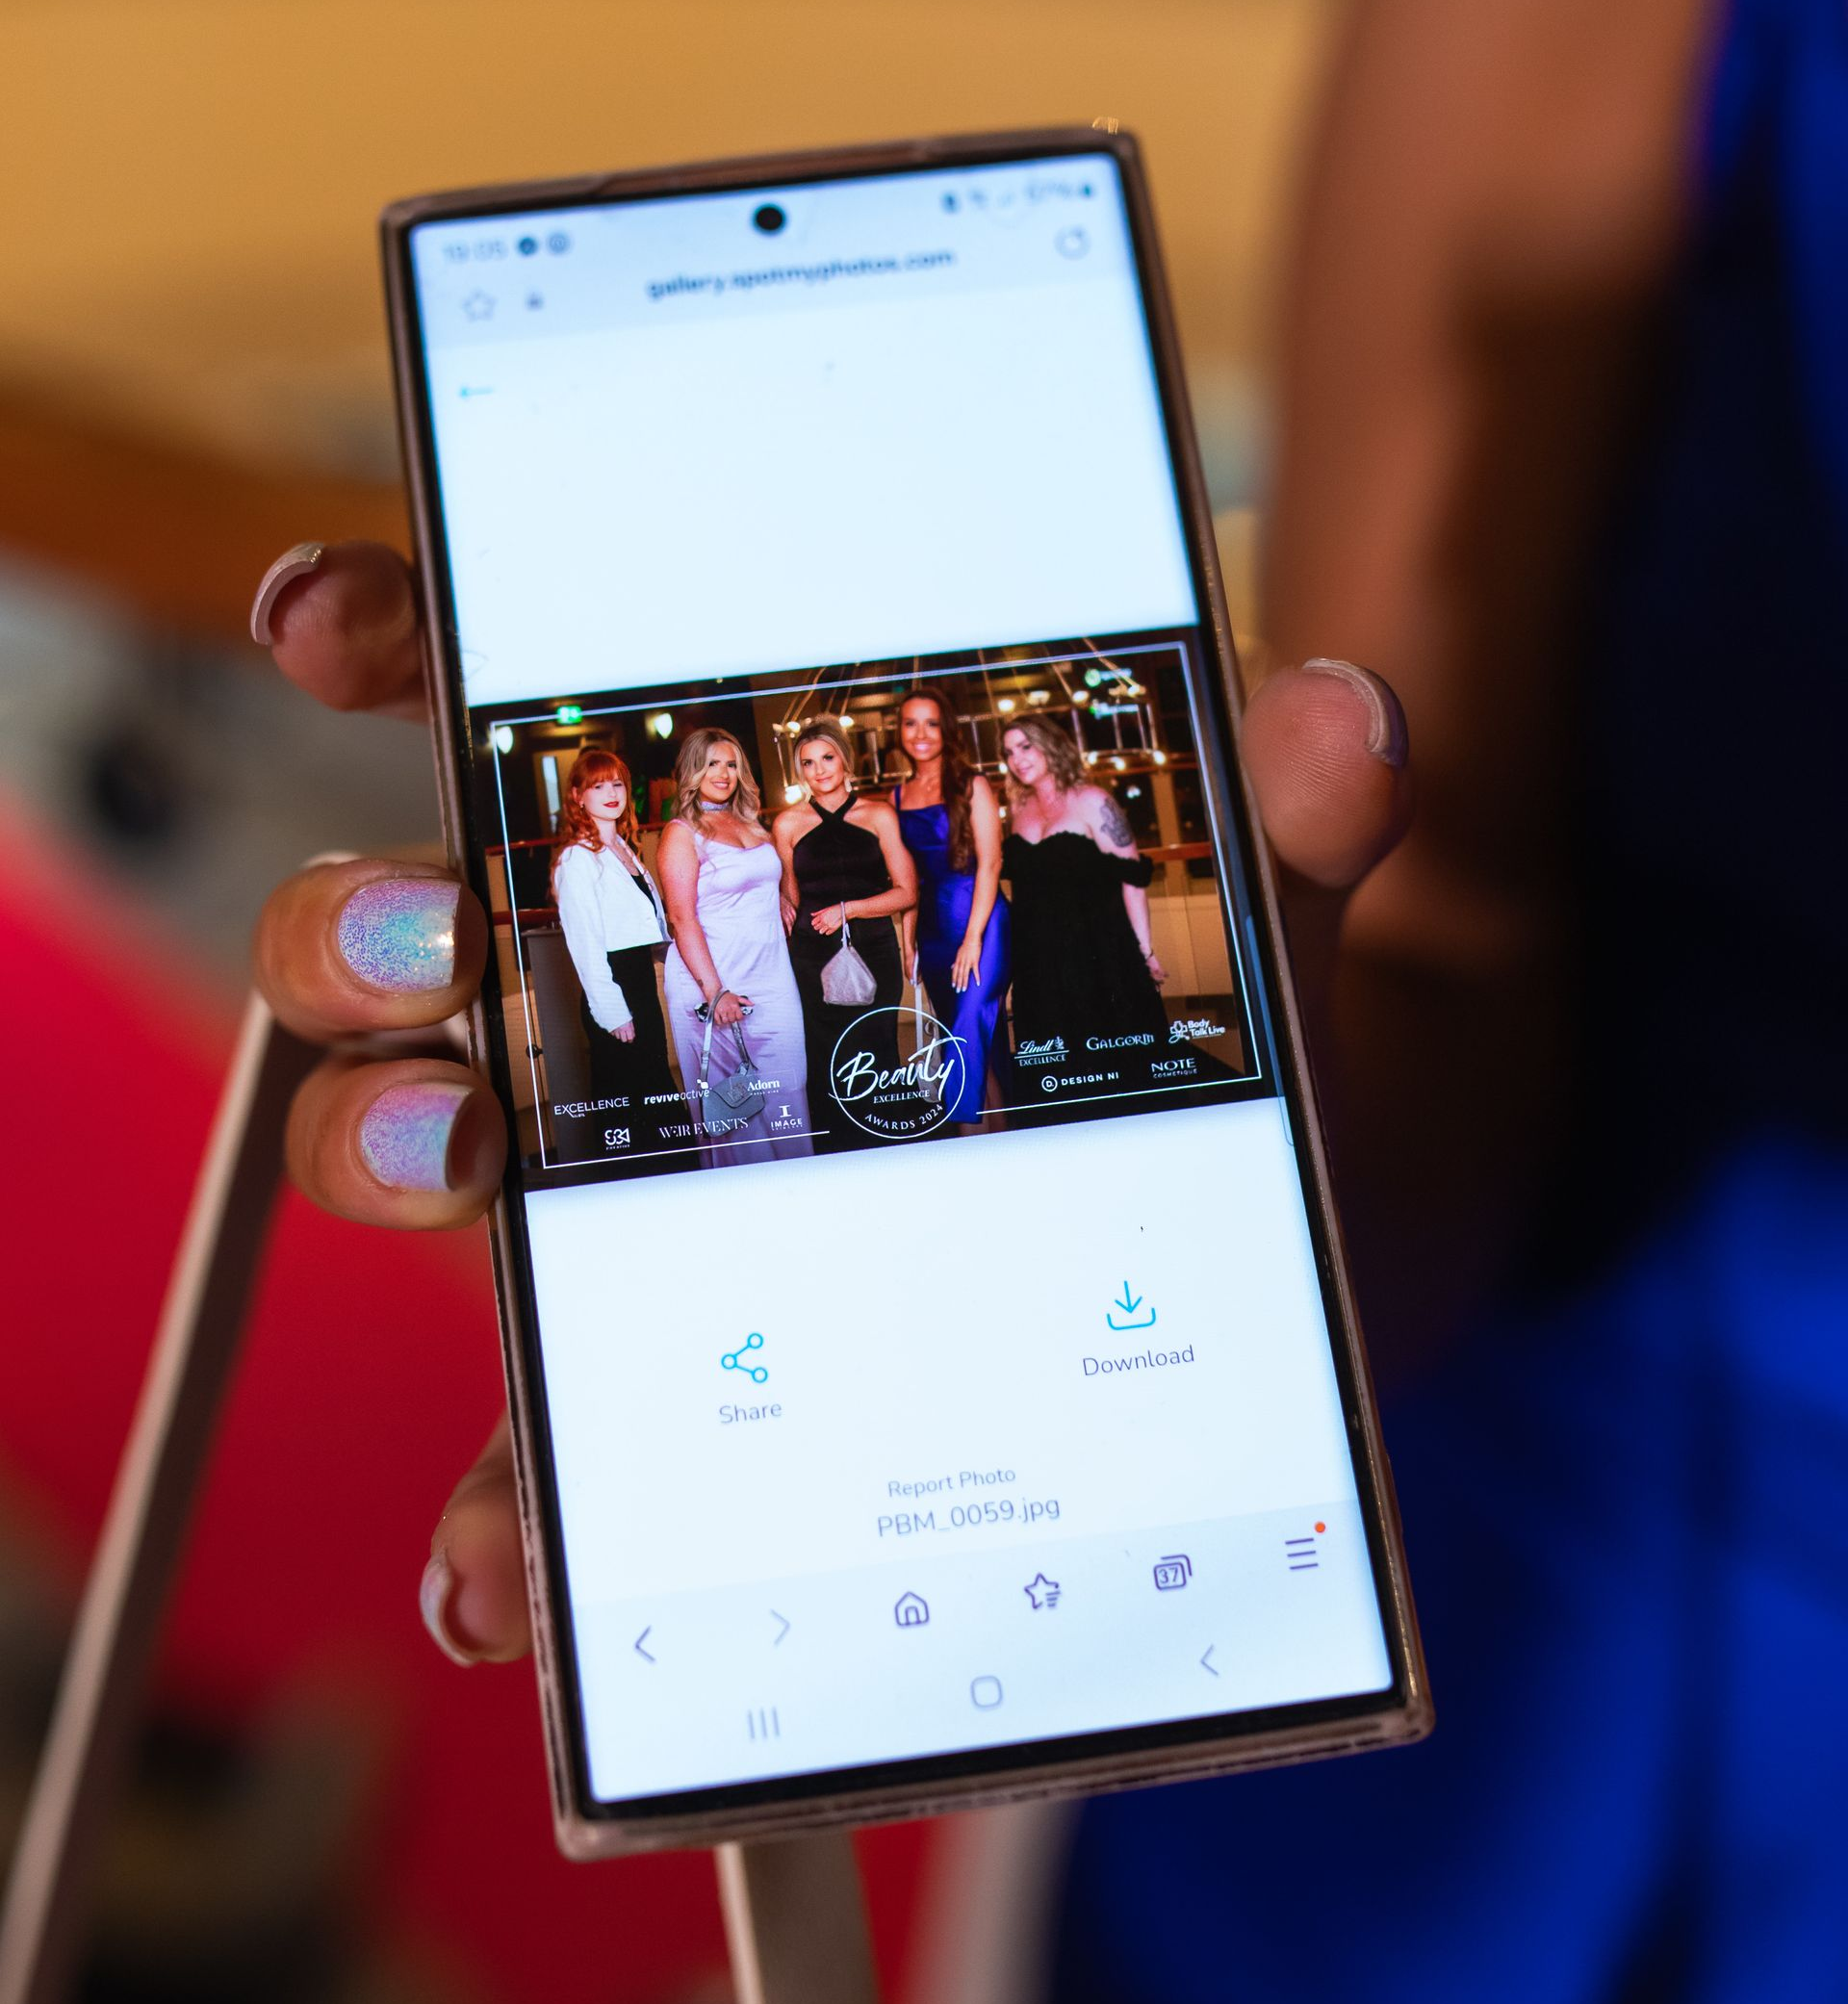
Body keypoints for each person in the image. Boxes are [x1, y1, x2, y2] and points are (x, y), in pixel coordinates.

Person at [654, 728, 810, 1164]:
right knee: (734, 1110)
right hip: (712, 981)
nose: (723, 774)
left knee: (790, 1084)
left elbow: (765, 880)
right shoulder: (681, 833)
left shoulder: (752, 823)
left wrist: (779, 897)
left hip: (771, 976)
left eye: (731, 764)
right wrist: (715, 991)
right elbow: (681, 917)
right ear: (693, 771)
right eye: (711, 764)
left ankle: (801, 1183)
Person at [771, 721, 915, 1148]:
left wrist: (848, 910)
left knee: (877, 1050)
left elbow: (907, 892)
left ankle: (887, 1149)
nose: (819, 770)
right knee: (825, 1056)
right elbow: (789, 897)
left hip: (874, 951)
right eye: (808, 763)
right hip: (812, 957)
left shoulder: (878, 814)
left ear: (845, 759)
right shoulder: (788, 823)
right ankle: (837, 1155)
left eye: (827, 758)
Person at [999, 713, 1168, 1066]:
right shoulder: (1018, 807)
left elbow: (1133, 881)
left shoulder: (1092, 799)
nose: (1017, 759)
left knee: (1117, 1063)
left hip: (1099, 953)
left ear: (1051, 746)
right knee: (1056, 1068)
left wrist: (1145, 952)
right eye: (1009, 752)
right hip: (1038, 959)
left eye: (1026, 747)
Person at [891, 685, 1012, 1129]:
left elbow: (991, 863)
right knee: (976, 1044)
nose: (920, 733)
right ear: (899, 731)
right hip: (934, 934)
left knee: (966, 1032)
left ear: (947, 730)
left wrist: (973, 938)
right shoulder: (897, 797)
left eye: (931, 723)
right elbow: (909, 882)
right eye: (911, 723)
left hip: (982, 924)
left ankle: (967, 1144)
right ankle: (1001, 1142)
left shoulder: (973, 784)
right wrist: (909, 942)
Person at [548, 749, 676, 1145]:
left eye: (617, 784)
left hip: (640, 984)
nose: (611, 793)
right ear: (578, 796)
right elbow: (586, 946)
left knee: (656, 1096)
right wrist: (613, 1012)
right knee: (631, 1108)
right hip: (614, 991)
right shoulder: (577, 858)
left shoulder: (623, 848)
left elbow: (638, 927)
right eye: (598, 786)